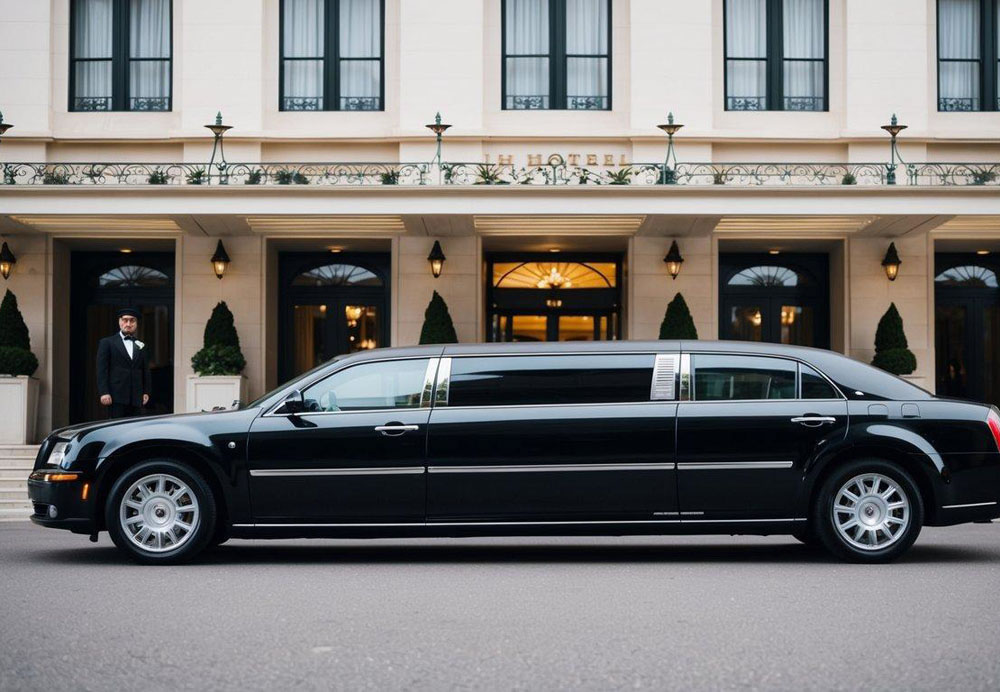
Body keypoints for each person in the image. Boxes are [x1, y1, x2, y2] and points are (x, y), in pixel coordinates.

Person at [96, 307, 151, 419]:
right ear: (119, 322)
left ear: (136, 323)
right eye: (125, 320)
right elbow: (102, 369)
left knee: (135, 429)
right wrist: (104, 392)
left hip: (136, 397)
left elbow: (145, 370)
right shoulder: (107, 343)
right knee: (116, 428)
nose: (128, 323)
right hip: (116, 396)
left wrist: (146, 391)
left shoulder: (141, 345)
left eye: (132, 320)